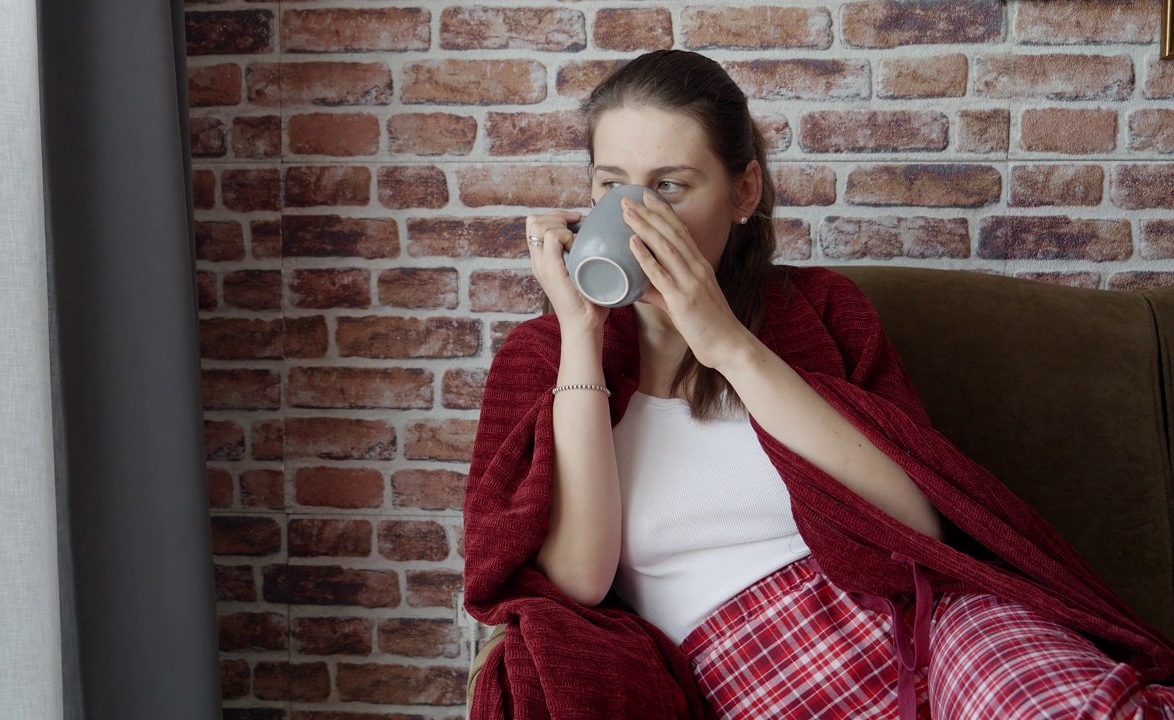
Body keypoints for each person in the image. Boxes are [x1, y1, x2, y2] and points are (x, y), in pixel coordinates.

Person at [462, 49, 1174, 719]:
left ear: (744, 192)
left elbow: (914, 520)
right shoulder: (548, 355)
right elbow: (579, 582)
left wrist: (727, 345)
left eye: (670, 186)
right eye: (611, 185)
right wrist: (581, 333)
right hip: (749, 666)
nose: (636, 214)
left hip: (928, 621)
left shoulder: (822, 311)